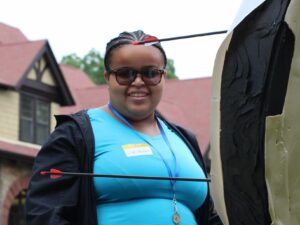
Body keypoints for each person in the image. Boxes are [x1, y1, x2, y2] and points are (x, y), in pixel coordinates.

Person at [25, 30, 223, 225]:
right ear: (107, 78)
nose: (138, 82)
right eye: (125, 74)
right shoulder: (75, 133)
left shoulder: (185, 139)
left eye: (151, 73)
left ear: (164, 76)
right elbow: (46, 214)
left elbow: (210, 216)